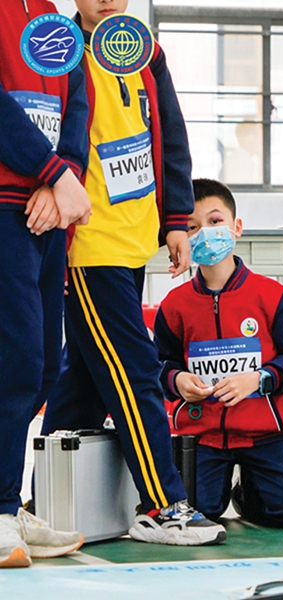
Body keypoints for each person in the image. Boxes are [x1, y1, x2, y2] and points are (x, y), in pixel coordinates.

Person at [40, 0, 226, 545]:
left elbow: (171, 137)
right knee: (133, 370)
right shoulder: (56, 47)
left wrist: (175, 219)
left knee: (85, 379)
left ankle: (42, 503)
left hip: (134, 240)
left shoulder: (146, 51)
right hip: (86, 242)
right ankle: (161, 505)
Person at [154, 179, 283, 528]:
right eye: (192, 227)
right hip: (202, 435)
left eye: (215, 221)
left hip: (266, 433)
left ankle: (250, 493)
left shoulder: (271, 295)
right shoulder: (174, 305)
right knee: (196, 512)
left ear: (237, 227)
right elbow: (157, 364)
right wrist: (177, 379)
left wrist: (260, 379)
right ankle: (217, 490)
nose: (205, 233)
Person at [0, 0, 93, 569]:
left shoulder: (50, 13)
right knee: (13, 362)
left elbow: (77, 104)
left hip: (46, 212)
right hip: (5, 205)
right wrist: (51, 170)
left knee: (39, 367)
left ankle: (7, 501)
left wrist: (64, 176)